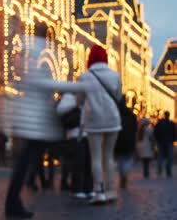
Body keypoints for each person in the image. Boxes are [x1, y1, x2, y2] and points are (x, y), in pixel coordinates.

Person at [4, 36, 93, 218]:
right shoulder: (34, 69)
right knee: (24, 164)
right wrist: (81, 85)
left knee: (27, 163)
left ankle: (15, 201)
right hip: (32, 127)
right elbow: (49, 84)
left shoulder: (30, 64)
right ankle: (13, 203)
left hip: (34, 127)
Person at [77, 45, 122, 204]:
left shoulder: (85, 76)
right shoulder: (115, 75)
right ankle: (111, 191)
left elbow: (79, 100)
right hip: (113, 119)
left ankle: (99, 191)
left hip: (93, 120)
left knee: (95, 157)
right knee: (108, 156)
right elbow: (118, 96)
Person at [56, 93, 93, 199]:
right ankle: (77, 188)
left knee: (88, 163)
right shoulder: (69, 97)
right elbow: (60, 110)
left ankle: (88, 188)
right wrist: (77, 103)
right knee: (78, 162)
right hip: (75, 134)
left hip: (87, 133)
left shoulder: (87, 98)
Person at [114, 108, 138, 189]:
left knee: (120, 160)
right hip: (129, 142)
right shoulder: (133, 117)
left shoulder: (117, 116)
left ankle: (122, 174)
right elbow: (135, 130)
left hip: (118, 142)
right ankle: (124, 174)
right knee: (127, 160)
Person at [154, 111, 176, 178]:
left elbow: (155, 132)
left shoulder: (160, 123)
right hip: (169, 141)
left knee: (160, 156)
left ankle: (160, 168)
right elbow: (175, 132)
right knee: (169, 156)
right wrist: (173, 139)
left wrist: (157, 139)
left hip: (161, 141)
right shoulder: (171, 123)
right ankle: (168, 170)